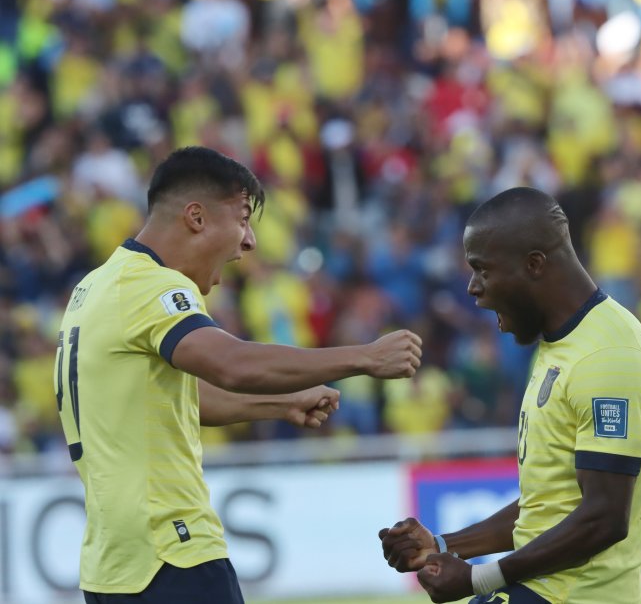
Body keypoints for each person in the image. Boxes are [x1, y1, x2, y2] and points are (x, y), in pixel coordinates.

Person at [53, 146, 423, 604]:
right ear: (196, 217)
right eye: (243, 217)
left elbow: (178, 399)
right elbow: (232, 364)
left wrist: (279, 404)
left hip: (112, 565)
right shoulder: (151, 286)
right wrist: (364, 357)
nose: (249, 241)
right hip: (173, 550)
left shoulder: (96, 286)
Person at [378, 186, 641, 604]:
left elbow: (604, 517)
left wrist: (479, 579)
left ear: (534, 265)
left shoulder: (607, 356)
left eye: (483, 270)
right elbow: (547, 505)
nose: (473, 288)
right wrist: (442, 545)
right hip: (539, 589)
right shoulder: (559, 344)